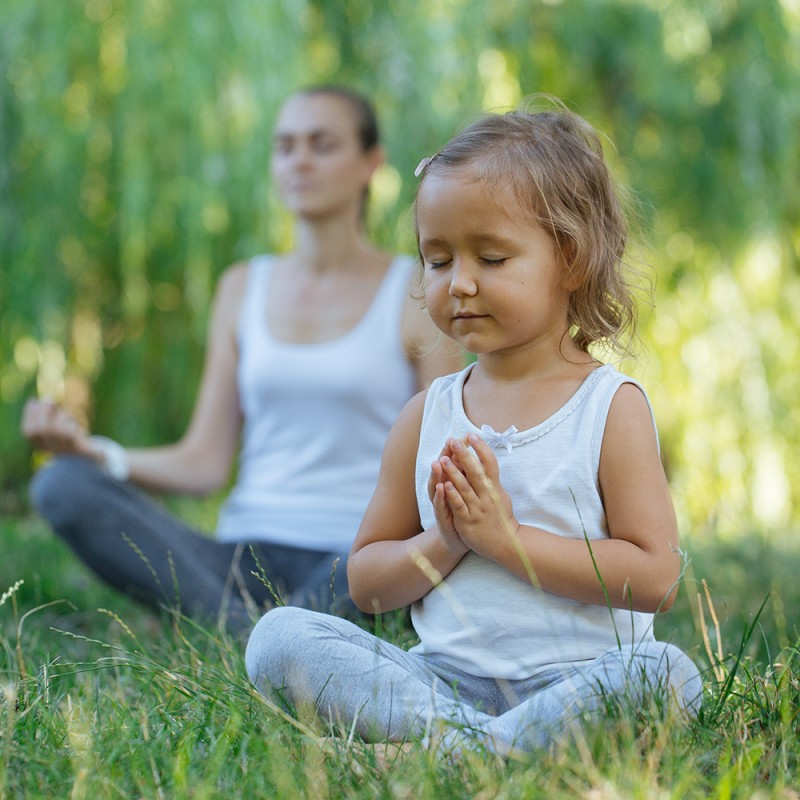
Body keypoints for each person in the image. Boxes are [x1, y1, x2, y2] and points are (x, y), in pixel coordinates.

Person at [245, 97, 702, 755]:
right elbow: (367, 583)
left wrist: (507, 541)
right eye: (438, 261)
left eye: (491, 259)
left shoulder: (609, 407)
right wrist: (448, 541)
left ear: (571, 260)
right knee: (278, 638)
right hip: (440, 685)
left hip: (576, 683)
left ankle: (447, 751)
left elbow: (655, 579)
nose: (459, 283)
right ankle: (487, 748)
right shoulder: (425, 415)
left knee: (665, 675)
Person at [22, 86, 462, 631]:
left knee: (370, 572)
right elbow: (204, 461)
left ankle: (246, 633)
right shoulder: (241, 287)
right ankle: (264, 633)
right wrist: (96, 454)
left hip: (352, 558)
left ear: (371, 163)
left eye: (322, 144)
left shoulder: (417, 289)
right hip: (236, 559)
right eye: (285, 146)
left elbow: (439, 455)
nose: (299, 160)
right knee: (62, 484)